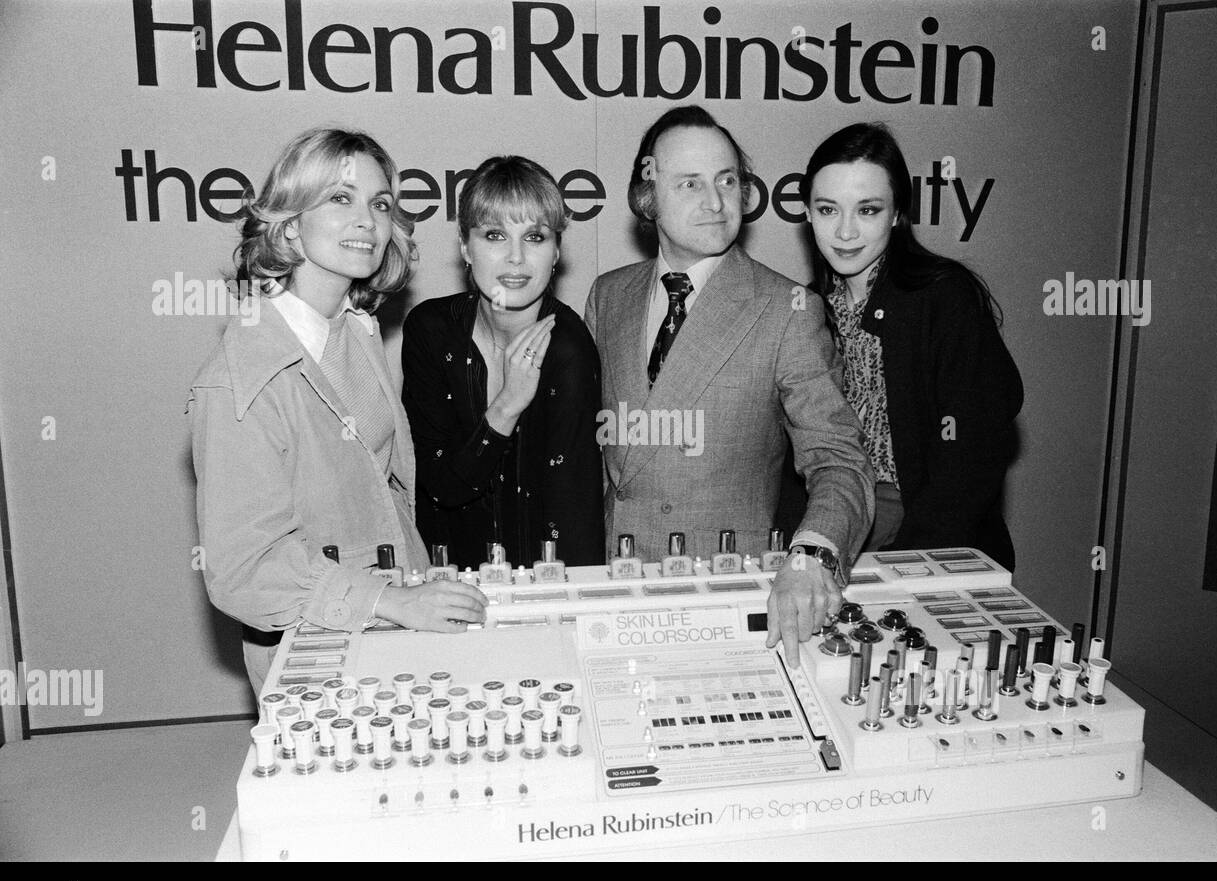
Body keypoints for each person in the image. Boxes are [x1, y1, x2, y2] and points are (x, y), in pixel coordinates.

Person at [189, 128, 487, 695]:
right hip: (314, 652)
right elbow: (242, 573)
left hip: (398, 626)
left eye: (379, 203)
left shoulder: (356, 330)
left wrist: (413, 594)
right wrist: (390, 601)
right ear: (289, 222)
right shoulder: (238, 381)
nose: (367, 221)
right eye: (340, 198)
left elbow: (383, 490)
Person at [584, 105, 873, 667]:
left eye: (728, 181)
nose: (716, 202)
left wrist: (809, 559)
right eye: (690, 183)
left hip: (723, 601)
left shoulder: (786, 308)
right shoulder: (607, 295)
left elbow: (840, 460)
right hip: (613, 597)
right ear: (648, 197)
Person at [798, 122, 1023, 567]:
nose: (844, 232)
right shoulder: (805, 308)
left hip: (931, 539)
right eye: (827, 210)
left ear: (898, 213)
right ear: (806, 213)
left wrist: (913, 563)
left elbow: (972, 457)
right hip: (836, 529)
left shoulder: (943, 298)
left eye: (867, 210)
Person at [402, 156, 603, 569]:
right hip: (442, 583)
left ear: (556, 252)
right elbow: (439, 488)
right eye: (494, 235)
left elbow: (572, 517)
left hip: (541, 585)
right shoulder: (431, 330)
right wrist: (507, 406)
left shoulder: (569, 347)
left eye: (534, 237)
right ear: (465, 248)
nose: (515, 258)